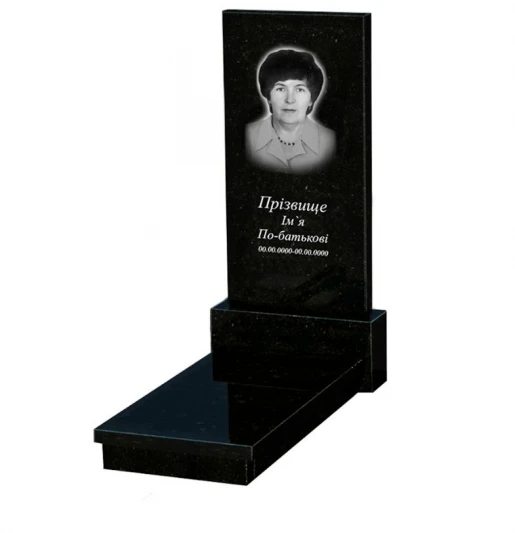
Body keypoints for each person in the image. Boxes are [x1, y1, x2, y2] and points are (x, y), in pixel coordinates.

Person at [246, 49, 336, 174]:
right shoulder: (246, 136)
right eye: (280, 89)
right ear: (269, 97)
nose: (289, 100)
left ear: (311, 99)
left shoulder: (331, 141)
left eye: (299, 89)